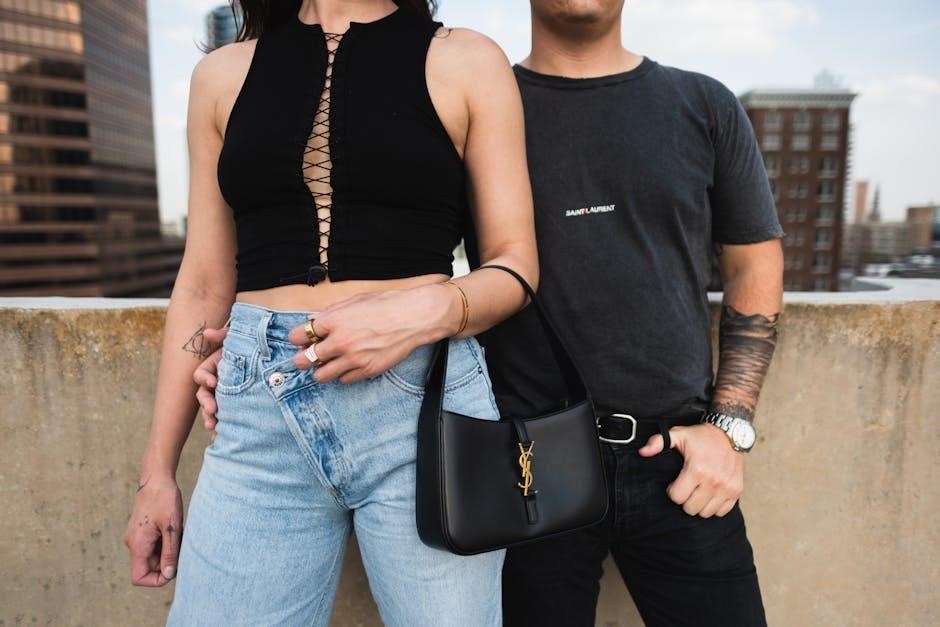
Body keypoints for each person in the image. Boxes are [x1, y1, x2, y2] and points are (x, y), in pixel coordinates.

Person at [197, 1, 783, 625]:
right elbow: (377, 223)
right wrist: (255, 340)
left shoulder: (702, 104)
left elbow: (754, 267)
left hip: (679, 456)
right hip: (520, 458)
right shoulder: (477, 84)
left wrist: (728, 426)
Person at [121, 0, 537, 625]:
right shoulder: (222, 75)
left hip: (428, 408)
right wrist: (157, 473)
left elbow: (516, 265)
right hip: (258, 416)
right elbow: (203, 284)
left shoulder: (468, 60)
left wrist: (419, 313)